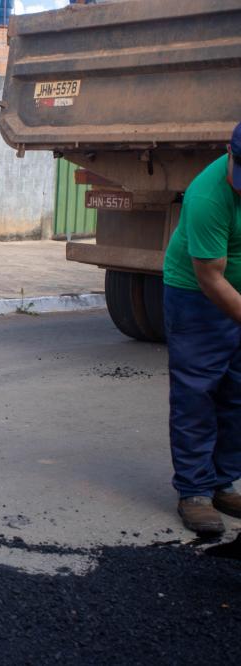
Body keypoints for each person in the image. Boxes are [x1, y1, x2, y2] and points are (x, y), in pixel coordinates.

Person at [162, 121, 241, 534]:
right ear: (229, 153)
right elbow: (210, 278)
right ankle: (194, 491)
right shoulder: (208, 195)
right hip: (196, 296)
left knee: (237, 394)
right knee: (197, 393)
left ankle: (222, 483)